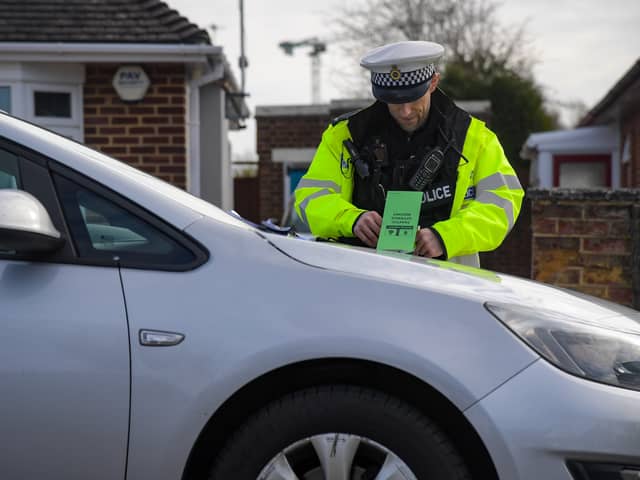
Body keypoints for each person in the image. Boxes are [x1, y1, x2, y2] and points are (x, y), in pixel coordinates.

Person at [294, 40, 524, 267]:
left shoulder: (475, 138)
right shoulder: (344, 136)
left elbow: (503, 202)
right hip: (361, 280)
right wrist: (351, 220)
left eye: (413, 98)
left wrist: (445, 237)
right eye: (394, 101)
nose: (405, 112)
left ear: (433, 82)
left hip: (449, 286)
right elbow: (310, 197)